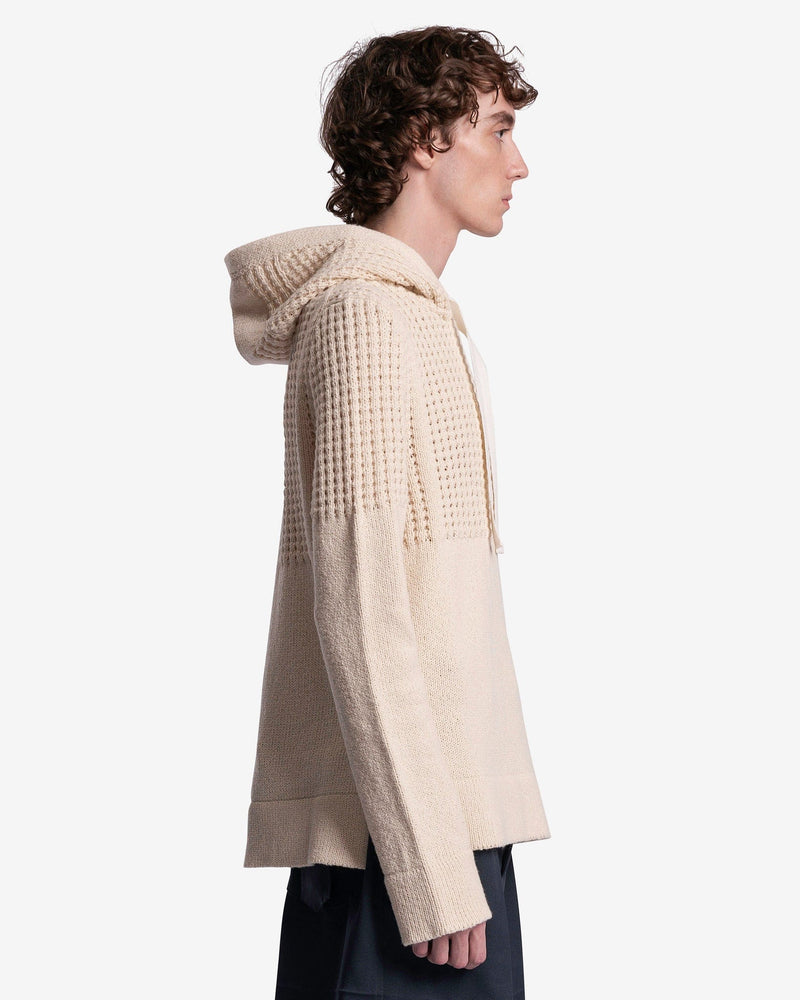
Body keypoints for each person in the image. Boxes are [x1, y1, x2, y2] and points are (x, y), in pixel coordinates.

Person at [224, 25, 551, 1000]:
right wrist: (428, 868)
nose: (519, 164)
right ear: (422, 138)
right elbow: (359, 610)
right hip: (400, 849)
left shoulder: (412, 315)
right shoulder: (363, 316)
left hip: (437, 828)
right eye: (497, 128)